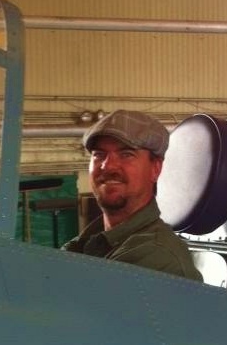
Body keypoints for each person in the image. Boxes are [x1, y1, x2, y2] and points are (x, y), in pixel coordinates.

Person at [62, 109, 202, 280]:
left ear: (155, 169)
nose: (108, 166)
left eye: (126, 154)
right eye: (99, 154)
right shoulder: (89, 243)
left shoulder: (157, 257)